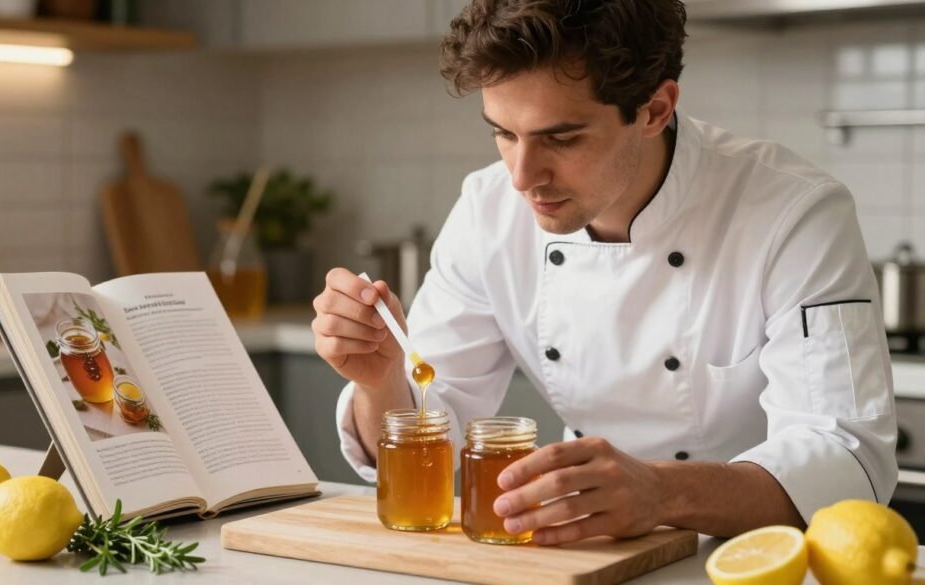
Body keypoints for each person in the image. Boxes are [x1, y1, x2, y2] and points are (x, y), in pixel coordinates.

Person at [311, 0, 897, 544]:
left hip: (758, 559)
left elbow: (847, 460)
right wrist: (378, 379)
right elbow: (439, 427)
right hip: (586, 552)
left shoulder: (793, 212)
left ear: (655, 109)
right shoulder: (487, 211)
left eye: (560, 138)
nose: (521, 176)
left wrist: (662, 492)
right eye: (503, 133)